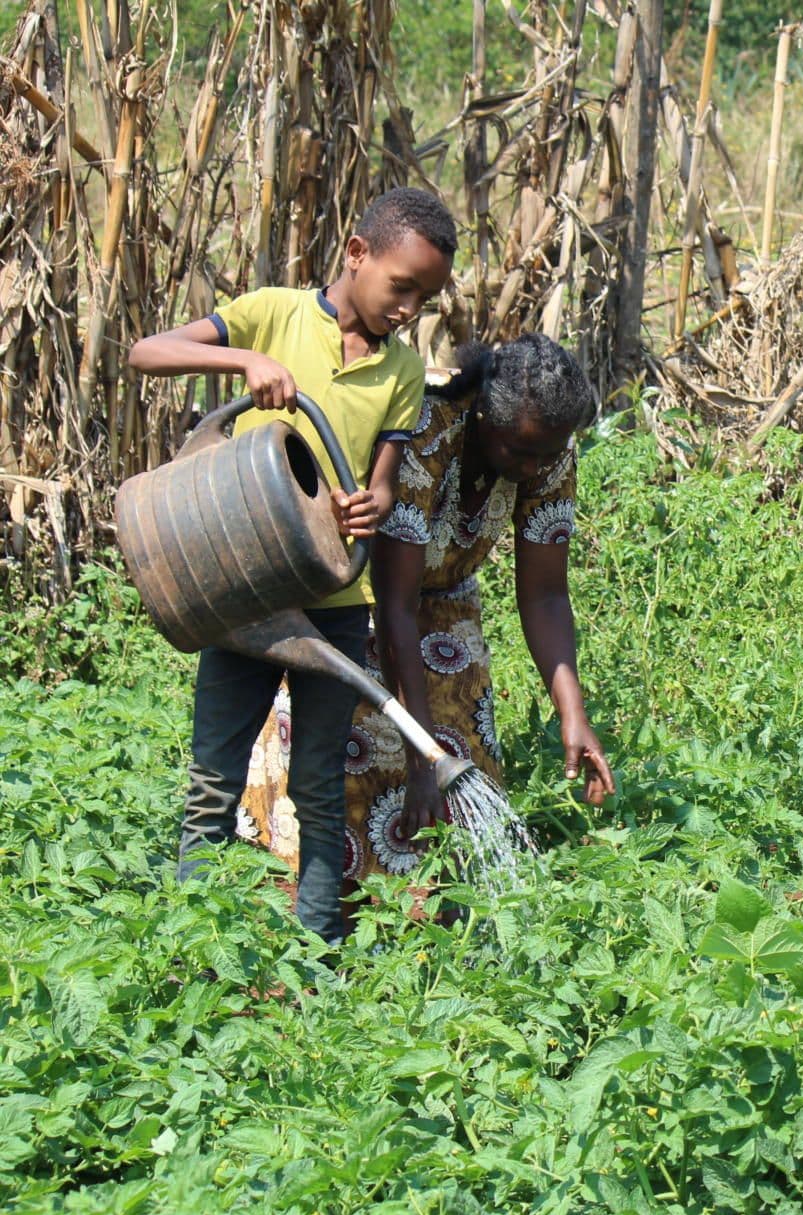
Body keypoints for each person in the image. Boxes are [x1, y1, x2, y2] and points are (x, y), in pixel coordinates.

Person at [128, 187, 457, 943]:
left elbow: (380, 484)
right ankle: (192, 951)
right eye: (401, 287)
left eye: (425, 298)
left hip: (335, 601)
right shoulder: (273, 313)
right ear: (356, 254)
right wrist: (244, 359)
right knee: (213, 780)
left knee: (316, 786)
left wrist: (368, 508)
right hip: (244, 591)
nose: (408, 308)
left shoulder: (403, 371)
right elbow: (147, 352)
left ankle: (314, 958)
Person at [240, 334, 615, 888]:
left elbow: (545, 595)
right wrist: (422, 757)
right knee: (352, 757)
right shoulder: (426, 428)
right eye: (519, 451)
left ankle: (431, 936)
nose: (532, 466)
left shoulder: (547, 447)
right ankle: (317, 920)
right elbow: (394, 604)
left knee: (467, 768)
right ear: (486, 415)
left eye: (546, 455)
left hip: (449, 612)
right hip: (357, 602)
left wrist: (572, 713)